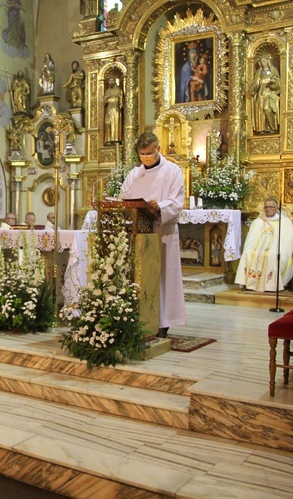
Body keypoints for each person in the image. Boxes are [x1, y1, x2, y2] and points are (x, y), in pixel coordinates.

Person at [120, 132, 186, 337]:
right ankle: (138, 318)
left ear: (158, 149)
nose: (146, 157)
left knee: (163, 275)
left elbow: (177, 202)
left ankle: (163, 322)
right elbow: (124, 198)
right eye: (142, 154)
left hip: (162, 232)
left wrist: (160, 206)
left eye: (150, 152)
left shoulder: (172, 171)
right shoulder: (134, 174)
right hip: (138, 233)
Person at [235, 198, 293, 292]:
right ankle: (249, 283)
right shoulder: (258, 221)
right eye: (266, 207)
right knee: (248, 253)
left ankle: (271, 285)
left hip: (275, 247)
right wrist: (252, 248)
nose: (268, 209)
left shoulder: (284, 222)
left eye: (271, 207)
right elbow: (250, 239)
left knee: (272, 255)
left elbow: (288, 240)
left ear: (276, 208)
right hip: (257, 247)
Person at [250, 56, 281, 134]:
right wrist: (253, 88)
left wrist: (273, 82)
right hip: (260, 93)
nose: (262, 63)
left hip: (269, 93)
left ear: (267, 61)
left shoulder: (273, 71)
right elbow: (256, 82)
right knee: (260, 110)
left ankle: (273, 128)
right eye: (261, 61)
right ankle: (262, 129)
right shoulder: (259, 72)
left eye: (264, 61)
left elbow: (278, 83)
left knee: (266, 108)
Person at [103, 77, 123, 144]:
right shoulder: (107, 90)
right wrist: (106, 97)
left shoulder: (118, 89)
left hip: (115, 107)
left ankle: (116, 139)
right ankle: (108, 139)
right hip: (109, 108)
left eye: (112, 80)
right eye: (110, 81)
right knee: (107, 123)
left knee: (115, 122)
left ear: (115, 81)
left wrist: (121, 103)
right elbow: (104, 101)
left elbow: (121, 97)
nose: (111, 82)